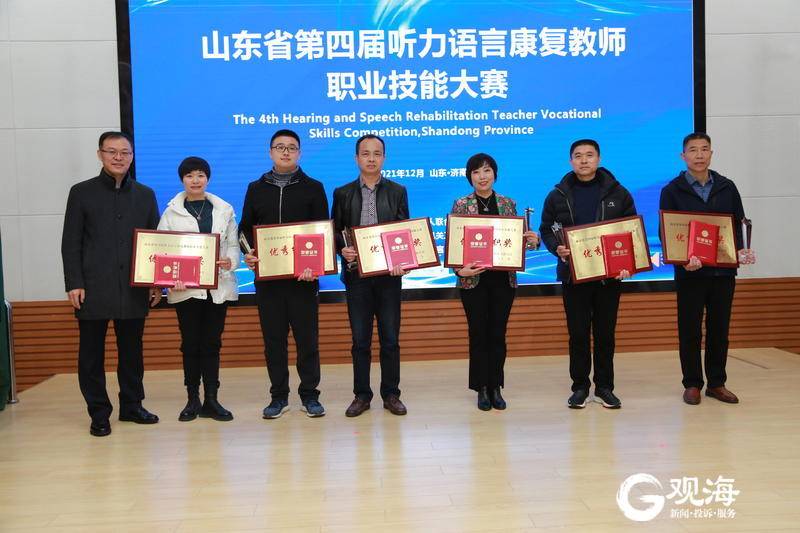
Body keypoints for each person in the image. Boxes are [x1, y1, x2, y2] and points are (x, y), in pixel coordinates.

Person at [61, 131, 161, 437]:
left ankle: (132, 406)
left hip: (133, 288)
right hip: (92, 287)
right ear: (100, 154)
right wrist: (74, 282)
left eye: (125, 152)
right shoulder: (81, 192)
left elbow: (154, 243)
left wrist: (155, 283)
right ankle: (99, 413)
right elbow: (71, 242)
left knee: (132, 352)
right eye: (112, 151)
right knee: (91, 355)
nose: (119, 157)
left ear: (132, 156)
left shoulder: (145, 194)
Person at [659, 132, 756, 405]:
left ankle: (716, 383)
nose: (699, 155)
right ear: (683, 156)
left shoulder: (727, 187)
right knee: (690, 330)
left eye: (704, 149)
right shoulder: (672, 190)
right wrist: (682, 260)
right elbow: (667, 231)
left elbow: (737, 224)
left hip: (723, 272)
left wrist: (741, 250)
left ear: (711, 154)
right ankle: (692, 383)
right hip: (690, 272)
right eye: (693, 150)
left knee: (719, 329)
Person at [540, 139, 636, 410]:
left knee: (605, 334)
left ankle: (605, 387)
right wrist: (556, 248)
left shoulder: (619, 193)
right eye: (578, 156)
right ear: (571, 161)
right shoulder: (557, 195)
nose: (584, 160)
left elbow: (631, 230)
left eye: (589, 155)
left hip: (609, 278)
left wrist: (627, 262)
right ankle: (580, 387)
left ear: (599, 158)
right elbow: (546, 228)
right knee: (578, 335)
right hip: (573, 276)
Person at [240, 130, 328, 418]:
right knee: (274, 342)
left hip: (304, 280)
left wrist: (316, 266)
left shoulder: (314, 187)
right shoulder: (256, 188)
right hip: (268, 281)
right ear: (270, 152)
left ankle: (310, 395)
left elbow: (322, 232)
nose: (286, 152)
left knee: (307, 341)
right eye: (280, 147)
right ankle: (278, 397)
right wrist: (248, 253)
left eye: (291, 147)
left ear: (299, 153)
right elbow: (244, 230)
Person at [451, 153, 539, 411]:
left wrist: (532, 242)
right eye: (476, 172)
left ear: (495, 174)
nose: (482, 176)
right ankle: (481, 388)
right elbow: (455, 242)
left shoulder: (508, 204)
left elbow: (516, 242)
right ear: (469, 177)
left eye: (487, 170)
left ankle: (496, 386)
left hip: (503, 280)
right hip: (473, 281)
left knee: (498, 334)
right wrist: (459, 270)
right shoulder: (461, 204)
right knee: (478, 334)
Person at [332, 134, 410, 417]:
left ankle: (391, 394)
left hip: (389, 277)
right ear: (357, 158)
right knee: (360, 341)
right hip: (357, 277)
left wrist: (402, 261)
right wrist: (342, 249)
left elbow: (403, 231)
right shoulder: (342, 193)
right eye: (365, 153)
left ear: (384, 158)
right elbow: (334, 232)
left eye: (377, 153)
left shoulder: (398, 191)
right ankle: (362, 395)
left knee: (390, 339)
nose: (371, 159)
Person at [157, 157, 239, 421]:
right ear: (182, 179)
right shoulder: (171, 213)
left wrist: (230, 261)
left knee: (212, 344)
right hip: (185, 290)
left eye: (201, 175)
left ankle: (211, 400)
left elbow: (233, 245)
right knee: (190, 343)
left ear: (208, 178)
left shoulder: (224, 209)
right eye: (190, 175)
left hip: (218, 287)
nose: (195, 180)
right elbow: (162, 249)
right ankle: (192, 399)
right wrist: (171, 277)